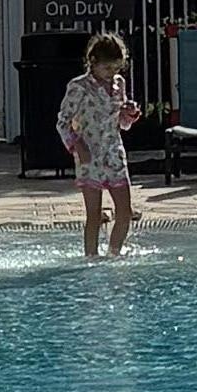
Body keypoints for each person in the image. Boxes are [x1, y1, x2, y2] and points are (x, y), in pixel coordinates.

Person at [56, 25, 138, 259]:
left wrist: (128, 114)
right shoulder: (78, 87)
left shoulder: (118, 84)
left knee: (124, 211)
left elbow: (122, 124)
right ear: (93, 61)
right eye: (107, 68)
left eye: (116, 68)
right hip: (89, 155)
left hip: (113, 152)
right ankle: (91, 257)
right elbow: (62, 122)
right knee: (94, 213)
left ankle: (114, 254)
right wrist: (76, 145)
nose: (112, 73)